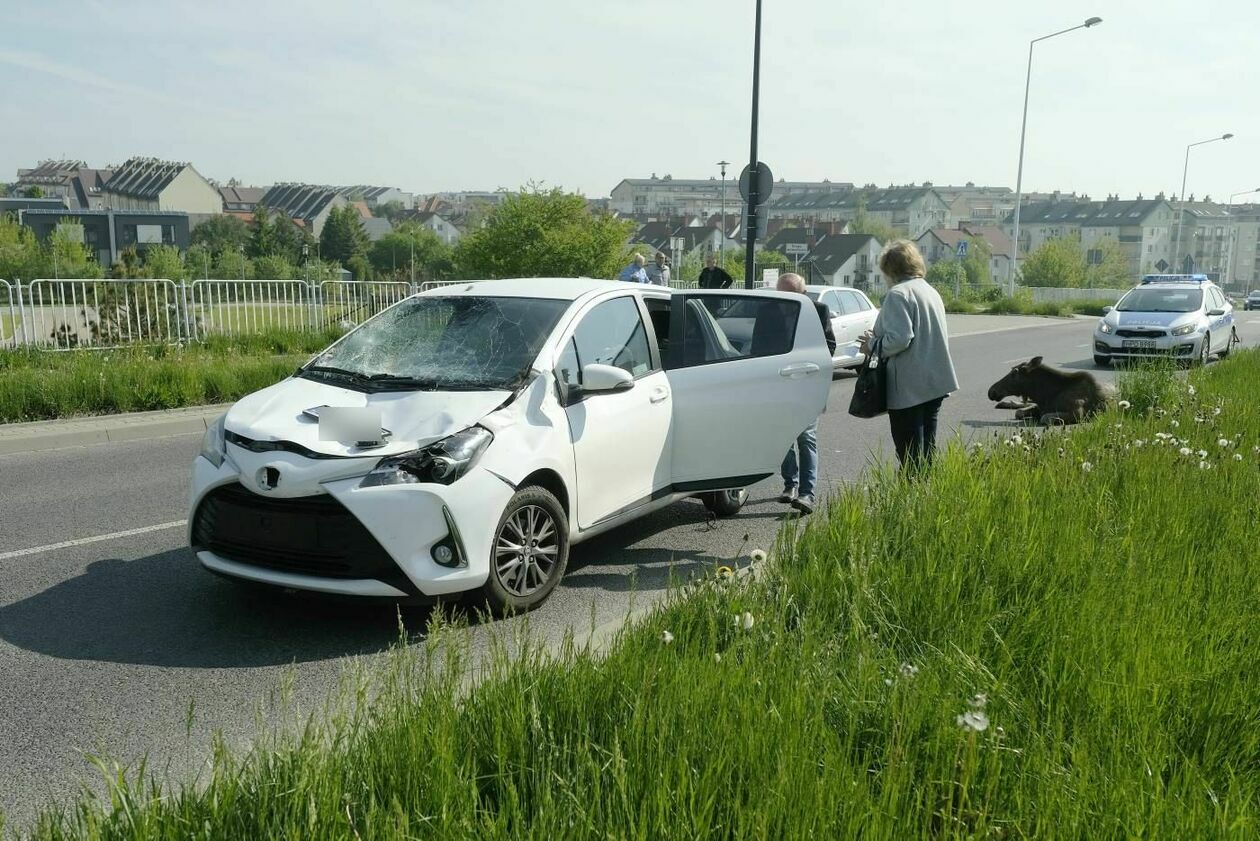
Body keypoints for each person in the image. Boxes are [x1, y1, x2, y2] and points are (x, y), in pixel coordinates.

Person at [859, 240, 958, 471]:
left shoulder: (898, 294)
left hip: (909, 386)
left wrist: (872, 344)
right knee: (927, 451)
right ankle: (928, 497)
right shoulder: (929, 290)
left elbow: (901, 338)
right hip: (935, 381)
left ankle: (912, 499)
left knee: (910, 454)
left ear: (889, 268)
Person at [775, 272, 836, 514]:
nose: (784, 300)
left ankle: (807, 494)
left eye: (790, 295)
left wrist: (807, 363)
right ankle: (790, 484)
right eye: (781, 295)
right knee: (783, 437)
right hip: (779, 383)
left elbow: (830, 345)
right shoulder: (770, 310)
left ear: (802, 294)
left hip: (808, 383)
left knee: (806, 437)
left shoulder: (818, 311)